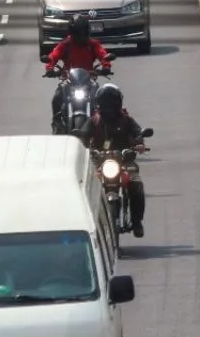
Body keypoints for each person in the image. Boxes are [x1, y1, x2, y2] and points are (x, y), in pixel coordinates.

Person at [88, 84, 148, 238]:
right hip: (99, 162)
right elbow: (82, 135)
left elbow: (137, 132)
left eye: (111, 102)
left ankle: (136, 222)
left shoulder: (126, 120)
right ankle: (88, 223)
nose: (109, 106)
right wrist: (79, 143)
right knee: (86, 187)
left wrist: (139, 143)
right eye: (105, 102)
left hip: (125, 161)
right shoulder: (94, 120)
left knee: (136, 184)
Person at [46, 15, 112, 131]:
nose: (81, 36)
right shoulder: (65, 45)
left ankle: (102, 122)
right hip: (69, 80)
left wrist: (106, 66)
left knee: (102, 97)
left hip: (89, 80)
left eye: (83, 32)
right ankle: (57, 121)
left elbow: (103, 54)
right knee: (57, 97)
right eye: (78, 32)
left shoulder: (93, 45)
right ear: (72, 33)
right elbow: (53, 56)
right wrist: (50, 68)